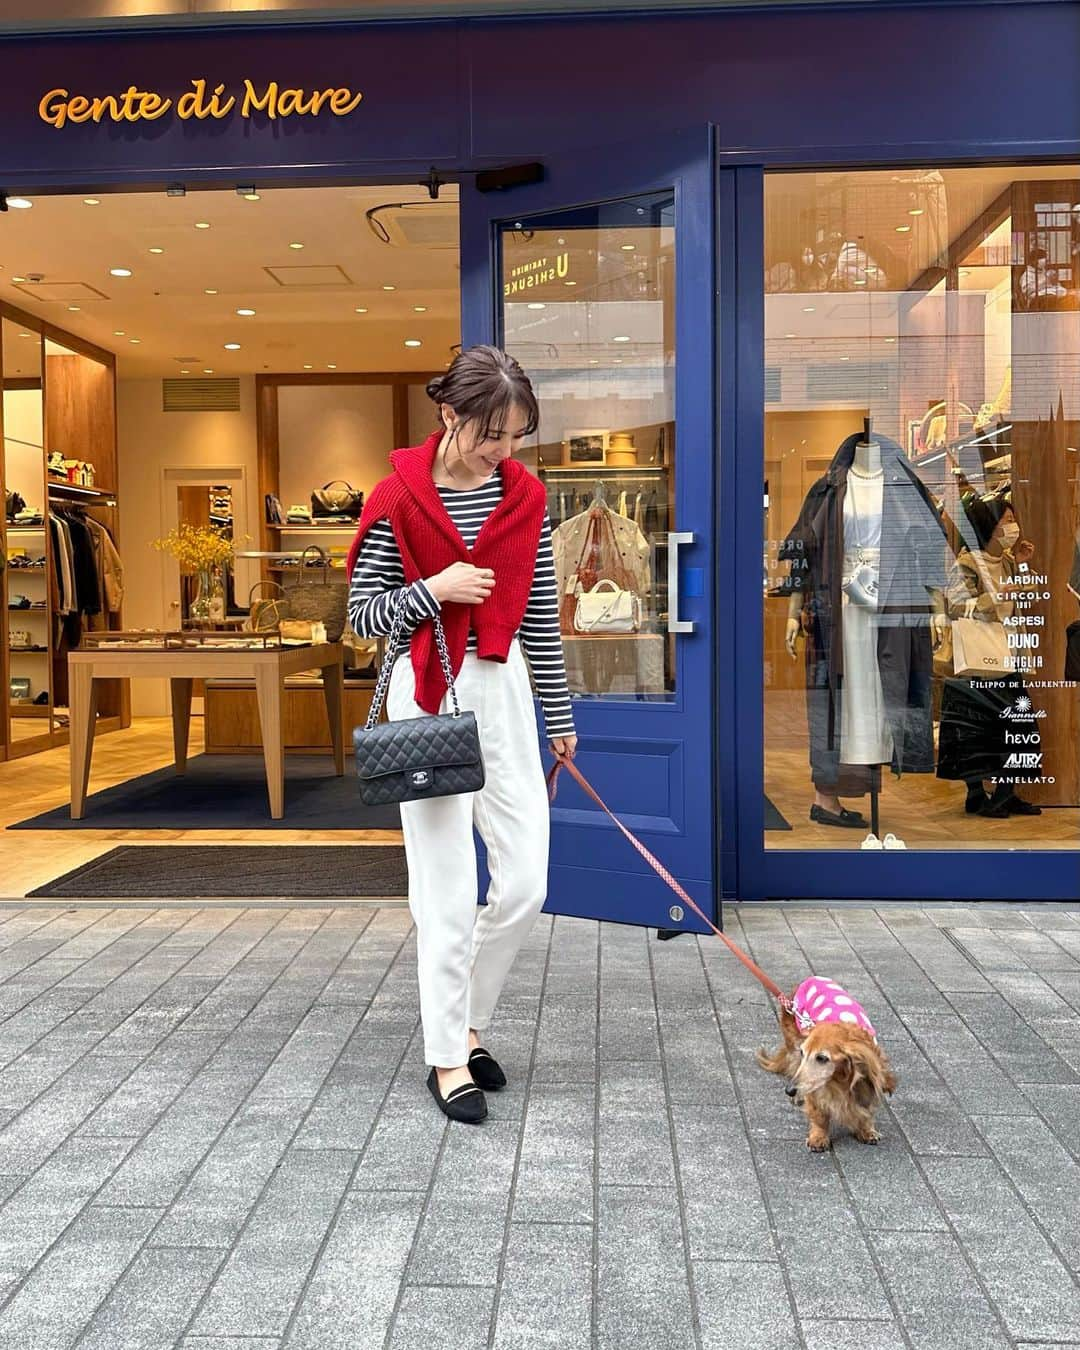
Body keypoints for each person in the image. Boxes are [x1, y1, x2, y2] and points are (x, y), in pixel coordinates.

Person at [346, 345, 577, 1125]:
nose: (503, 453)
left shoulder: (527, 498)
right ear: (449, 415)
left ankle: (469, 1020)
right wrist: (433, 591)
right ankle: (448, 1055)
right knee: (444, 891)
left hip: (504, 688)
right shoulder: (396, 498)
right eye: (489, 434)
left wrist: (561, 717)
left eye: (516, 436)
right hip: (427, 694)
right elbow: (360, 619)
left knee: (525, 884)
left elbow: (539, 614)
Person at [937, 495, 1041, 818]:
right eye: (1007, 520)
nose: (1013, 527)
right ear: (991, 528)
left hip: (1006, 657)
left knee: (1018, 728)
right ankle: (979, 795)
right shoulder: (968, 563)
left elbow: (1032, 594)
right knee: (976, 732)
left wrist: (1022, 565)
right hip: (978, 666)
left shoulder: (1008, 561)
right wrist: (997, 596)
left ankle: (1004, 793)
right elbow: (956, 606)